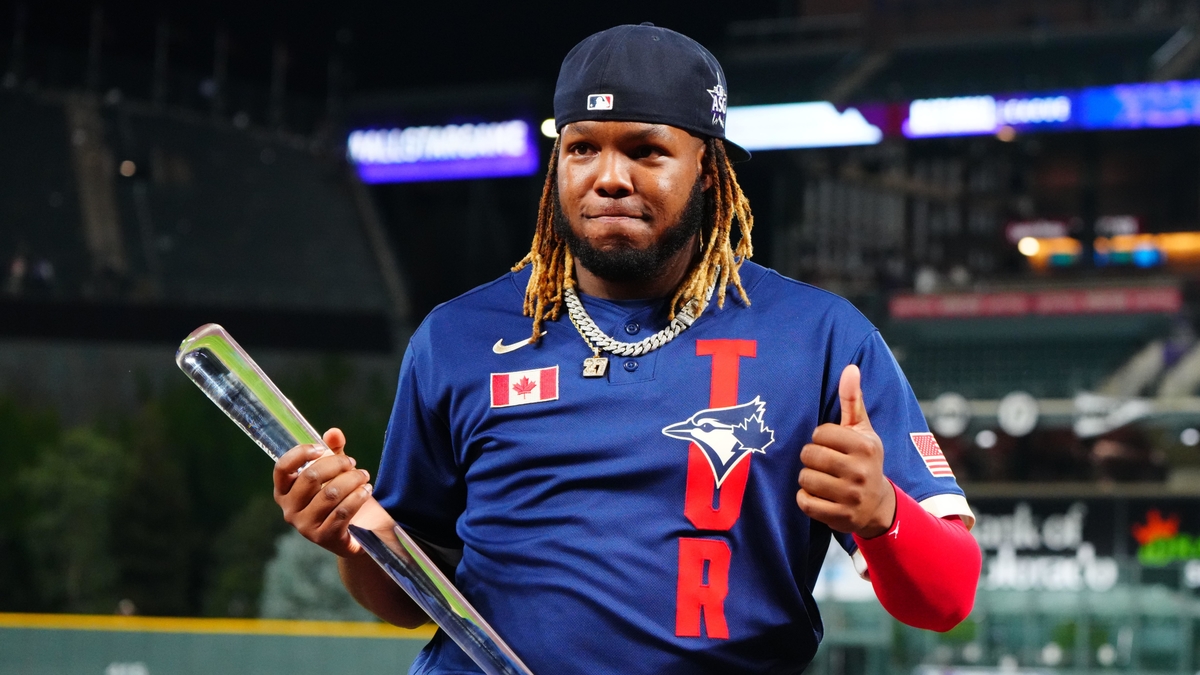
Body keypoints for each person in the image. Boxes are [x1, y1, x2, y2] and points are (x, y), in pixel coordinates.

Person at [272, 23, 981, 674]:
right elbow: (412, 593)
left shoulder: (821, 337)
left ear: (709, 169)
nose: (609, 176)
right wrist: (348, 539)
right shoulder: (457, 337)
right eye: (582, 147)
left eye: (646, 149)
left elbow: (946, 596)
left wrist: (884, 512)